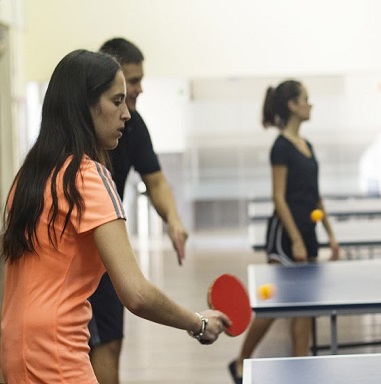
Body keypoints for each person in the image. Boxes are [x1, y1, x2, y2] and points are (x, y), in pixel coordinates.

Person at [0, 49, 229, 384]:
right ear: (85, 106)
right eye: (116, 101)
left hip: (14, 349)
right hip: (57, 355)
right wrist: (198, 323)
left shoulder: (29, 176)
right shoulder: (87, 177)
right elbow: (135, 293)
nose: (126, 114)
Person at [87, 37, 189, 384]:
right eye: (131, 82)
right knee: (92, 347)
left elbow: (156, 181)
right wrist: (197, 322)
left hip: (106, 252)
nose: (138, 90)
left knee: (110, 343)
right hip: (83, 255)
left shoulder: (133, 124)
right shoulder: (81, 163)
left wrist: (173, 220)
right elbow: (140, 295)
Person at [228, 80, 340, 384]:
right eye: (306, 98)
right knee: (275, 305)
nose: (310, 104)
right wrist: (295, 239)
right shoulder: (280, 146)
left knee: (305, 307)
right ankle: (240, 361)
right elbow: (279, 196)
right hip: (285, 235)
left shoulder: (308, 146)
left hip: (309, 231)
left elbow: (316, 196)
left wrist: (330, 234)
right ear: (292, 105)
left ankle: (301, 370)